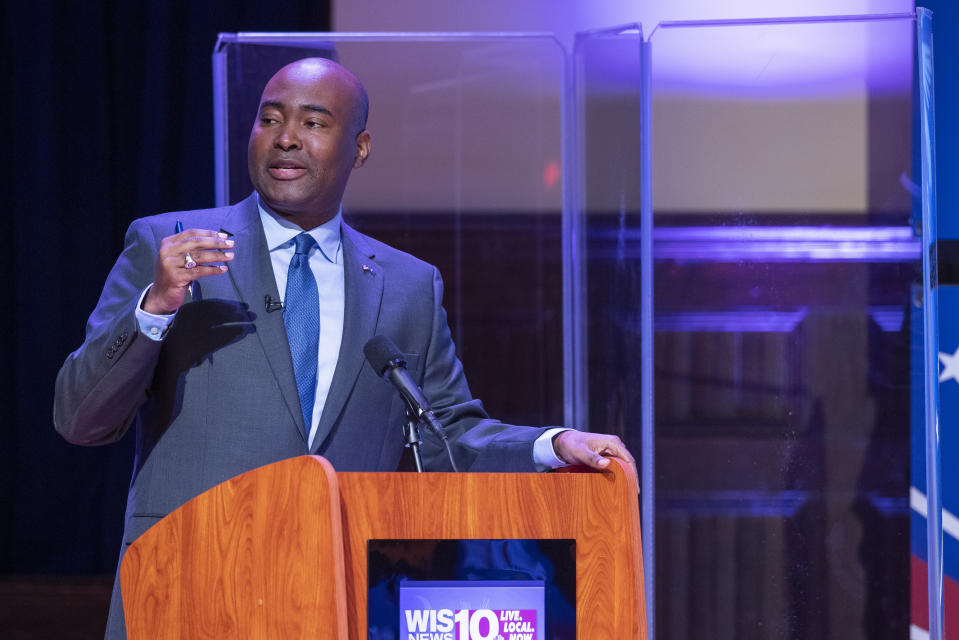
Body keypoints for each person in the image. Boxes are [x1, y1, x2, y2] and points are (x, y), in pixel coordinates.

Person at [54, 57, 633, 639]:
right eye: (270, 119)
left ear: (359, 148)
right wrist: (154, 308)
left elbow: (446, 436)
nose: (285, 138)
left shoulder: (408, 285)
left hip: (338, 595)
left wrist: (553, 444)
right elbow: (81, 419)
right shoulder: (171, 246)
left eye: (313, 123)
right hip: (188, 583)